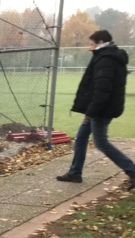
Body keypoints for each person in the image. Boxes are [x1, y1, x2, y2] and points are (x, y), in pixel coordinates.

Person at [57, 30, 133, 189]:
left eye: (92, 44)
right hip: (104, 107)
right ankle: (75, 172)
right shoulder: (111, 56)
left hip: (101, 109)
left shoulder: (105, 60)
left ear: (101, 42)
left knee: (101, 142)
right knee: (81, 137)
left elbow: (102, 91)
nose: (89, 48)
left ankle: (132, 171)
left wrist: (90, 112)